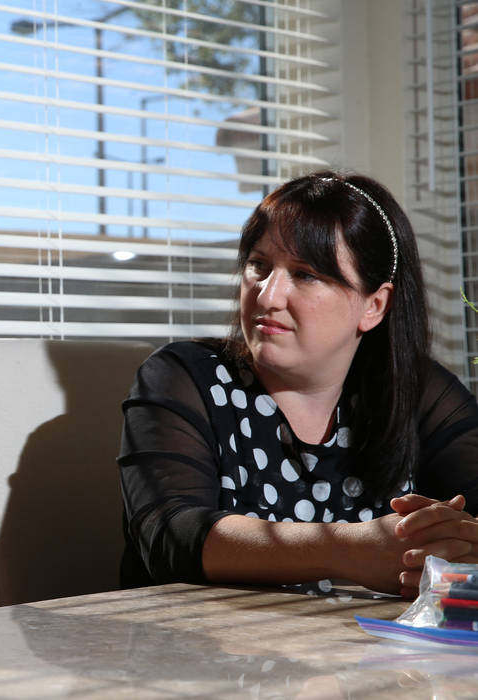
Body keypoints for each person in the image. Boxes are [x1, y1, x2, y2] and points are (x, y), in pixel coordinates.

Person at [118, 171, 478, 597]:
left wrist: (454, 541)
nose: (268, 295)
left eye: (305, 274)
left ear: (374, 305)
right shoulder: (184, 376)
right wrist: (348, 550)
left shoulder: (417, 391)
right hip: (199, 653)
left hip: (365, 655)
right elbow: (170, 535)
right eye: (259, 266)